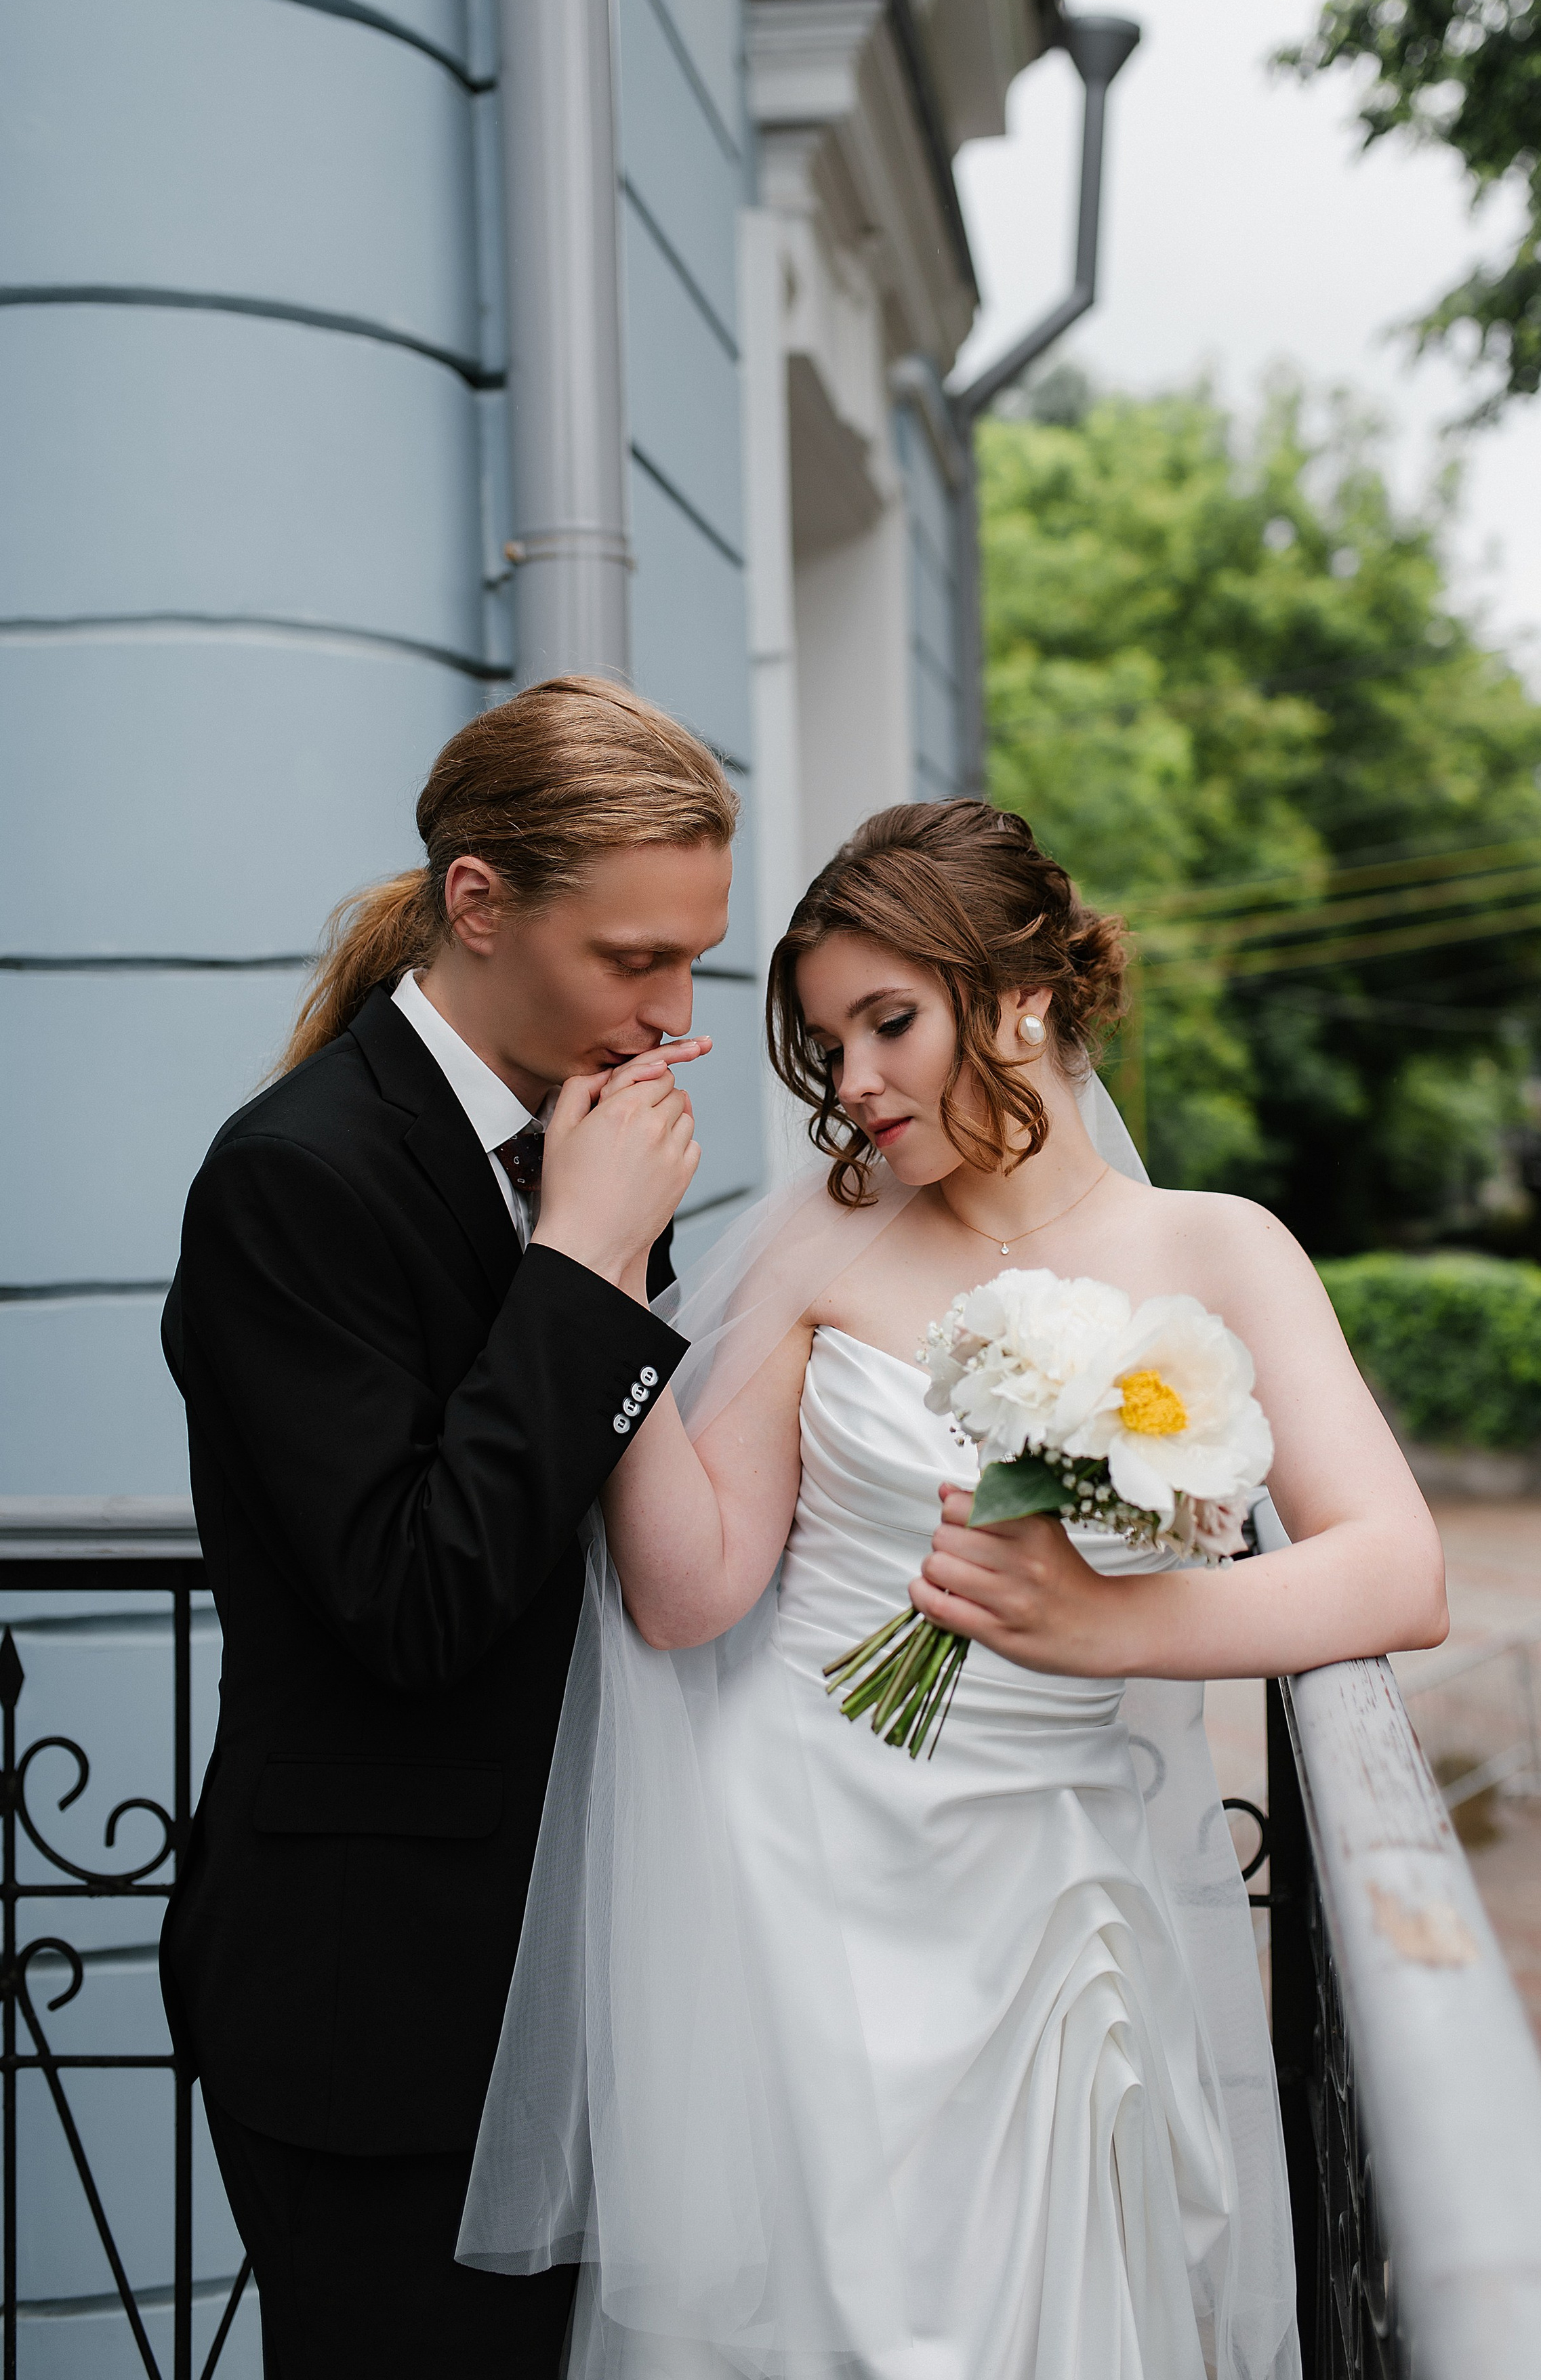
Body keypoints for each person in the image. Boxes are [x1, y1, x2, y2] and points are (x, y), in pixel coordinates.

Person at [460, 798, 1449, 2380]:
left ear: (1023, 999)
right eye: (827, 1043)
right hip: (794, 1879)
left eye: (888, 1023)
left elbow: (1397, 1571)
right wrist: (613, 1280)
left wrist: (1112, 1627)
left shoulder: (1218, 1249)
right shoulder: (824, 1246)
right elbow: (688, 1592)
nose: (851, 1084)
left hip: (1062, 1880)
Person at [160, 674, 738, 2377]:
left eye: (692, 955)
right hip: (380, 2014)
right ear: (476, 901)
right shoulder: (295, 1178)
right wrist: (582, 1263)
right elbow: (413, 1601)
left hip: (566, 1972)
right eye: (630, 958)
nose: (668, 1009)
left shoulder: (567, 1135)